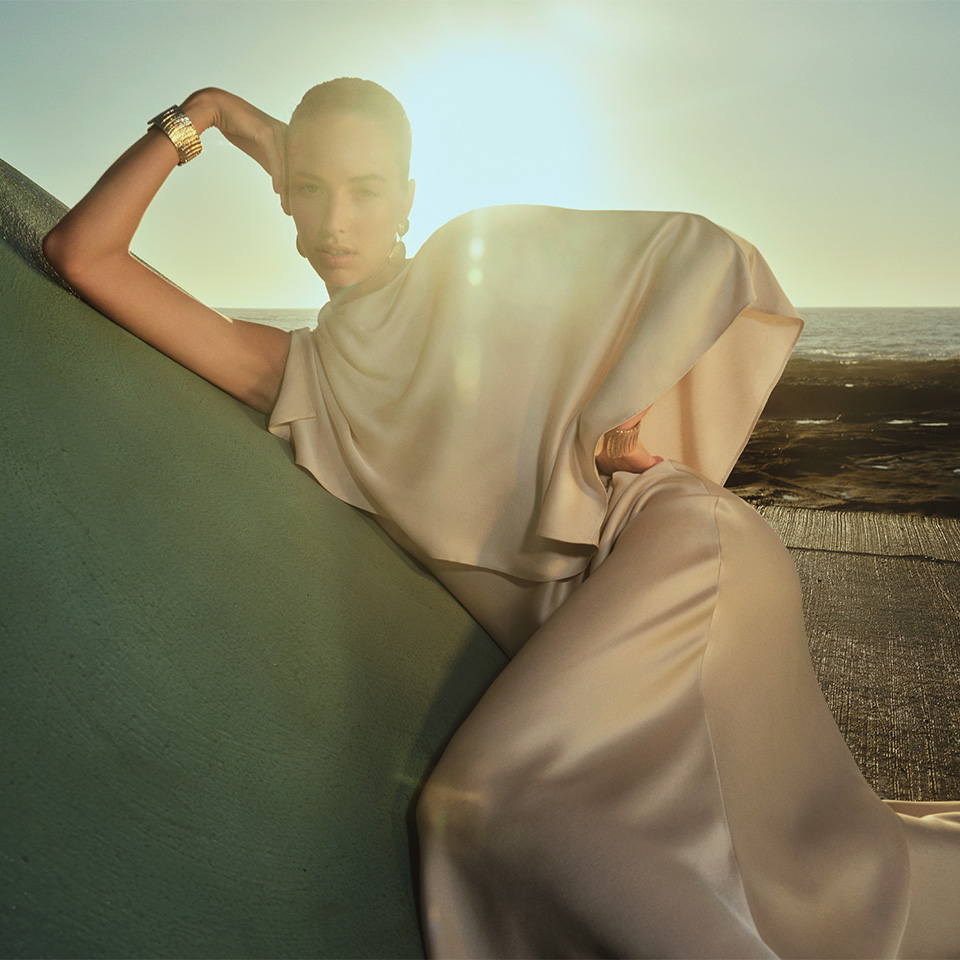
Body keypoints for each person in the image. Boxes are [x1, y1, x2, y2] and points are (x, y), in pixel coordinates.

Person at [43, 79, 960, 958]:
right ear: (282, 196)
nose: (335, 222)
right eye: (312, 190)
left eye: (366, 190)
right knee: (795, 883)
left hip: (671, 551)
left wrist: (613, 408)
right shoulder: (295, 377)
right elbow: (84, 254)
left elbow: (698, 253)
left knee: (487, 803)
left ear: (409, 198)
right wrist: (202, 115)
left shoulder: (470, 263)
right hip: (597, 627)